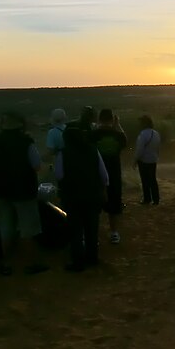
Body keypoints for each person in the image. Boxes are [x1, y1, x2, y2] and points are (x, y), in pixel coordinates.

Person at [0, 111, 48, 276]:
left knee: (5, 229)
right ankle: (31, 264)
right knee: (28, 229)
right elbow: (36, 165)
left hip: (0, 191)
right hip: (24, 192)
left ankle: (6, 264)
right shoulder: (26, 142)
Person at [60, 110, 109, 272]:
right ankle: (92, 258)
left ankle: (77, 262)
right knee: (92, 229)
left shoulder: (64, 153)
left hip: (72, 197)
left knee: (75, 231)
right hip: (93, 196)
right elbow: (104, 175)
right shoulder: (93, 151)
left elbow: (59, 175)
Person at [93, 109, 127, 244]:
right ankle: (114, 232)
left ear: (100, 119)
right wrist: (117, 125)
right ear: (112, 119)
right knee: (113, 204)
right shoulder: (117, 135)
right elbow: (125, 141)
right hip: (113, 174)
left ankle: (93, 234)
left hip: (96, 174)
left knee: (95, 206)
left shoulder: (94, 135)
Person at [135, 115, 161, 205]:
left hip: (144, 160)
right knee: (153, 179)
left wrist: (135, 160)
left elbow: (139, 150)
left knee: (145, 180)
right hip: (153, 159)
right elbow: (158, 147)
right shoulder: (156, 133)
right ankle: (156, 199)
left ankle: (147, 199)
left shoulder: (142, 134)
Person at [45, 108, 67, 187]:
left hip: (59, 160)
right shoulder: (67, 129)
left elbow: (50, 150)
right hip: (70, 158)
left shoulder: (52, 132)